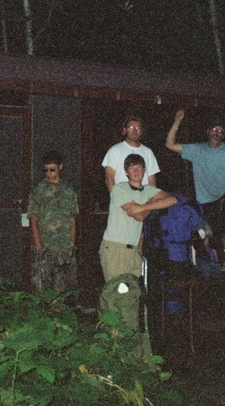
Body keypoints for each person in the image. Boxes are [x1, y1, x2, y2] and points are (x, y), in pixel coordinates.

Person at [98, 154, 177, 328]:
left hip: (133, 251)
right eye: (132, 168)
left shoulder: (148, 190)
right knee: (116, 297)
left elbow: (172, 199)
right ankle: (112, 344)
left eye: (139, 168)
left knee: (132, 298)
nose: (136, 171)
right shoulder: (119, 189)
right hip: (115, 250)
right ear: (126, 172)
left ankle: (132, 345)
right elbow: (140, 216)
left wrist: (144, 204)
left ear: (144, 171)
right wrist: (150, 204)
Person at [165, 109, 225, 249]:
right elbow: (169, 144)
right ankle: (212, 262)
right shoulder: (197, 150)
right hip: (206, 200)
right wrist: (177, 120)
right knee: (205, 235)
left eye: (221, 131)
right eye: (215, 129)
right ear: (208, 131)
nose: (217, 133)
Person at [27, 150, 80, 293]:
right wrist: (39, 248)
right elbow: (33, 219)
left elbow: (72, 219)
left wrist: (72, 244)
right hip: (46, 247)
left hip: (64, 247)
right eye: (46, 170)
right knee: (42, 290)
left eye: (52, 170)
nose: (48, 174)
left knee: (62, 290)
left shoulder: (68, 191)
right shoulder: (38, 190)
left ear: (60, 167)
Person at [102, 116, 160, 193]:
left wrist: (153, 200)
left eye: (138, 128)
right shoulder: (115, 150)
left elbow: (152, 180)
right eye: (131, 127)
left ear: (141, 131)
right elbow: (109, 178)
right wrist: (117, 198)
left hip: (143, 199)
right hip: (123, 196)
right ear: (125, 130)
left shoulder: (148, 152)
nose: (134, 130)